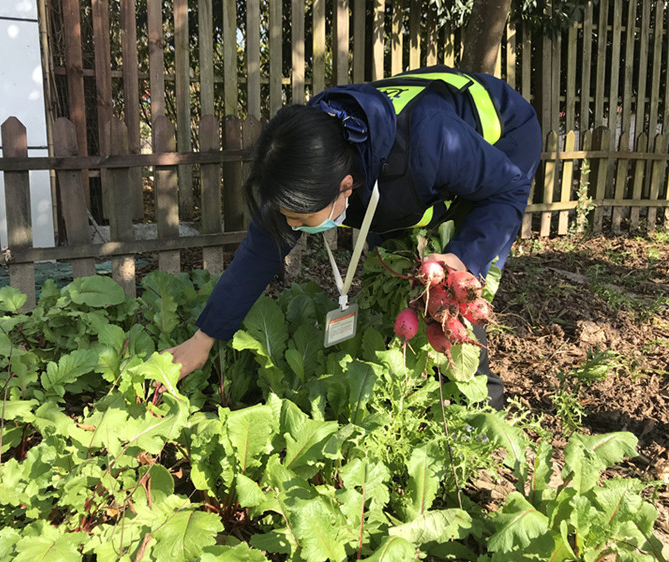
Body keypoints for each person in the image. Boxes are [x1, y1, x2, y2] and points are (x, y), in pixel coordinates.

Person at [165, 65, 542, 410]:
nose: (292, 227)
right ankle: (406, 376)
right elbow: (259, 252)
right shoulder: (307, 164)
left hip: (500, 138)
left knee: (454, 291)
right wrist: (203, 340)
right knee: (397, 268)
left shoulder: (431, 144)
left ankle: (479, 403)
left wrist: (463, 259)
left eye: (298, 219)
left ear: (345, 188)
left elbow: (506, 189)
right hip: (397, 168)